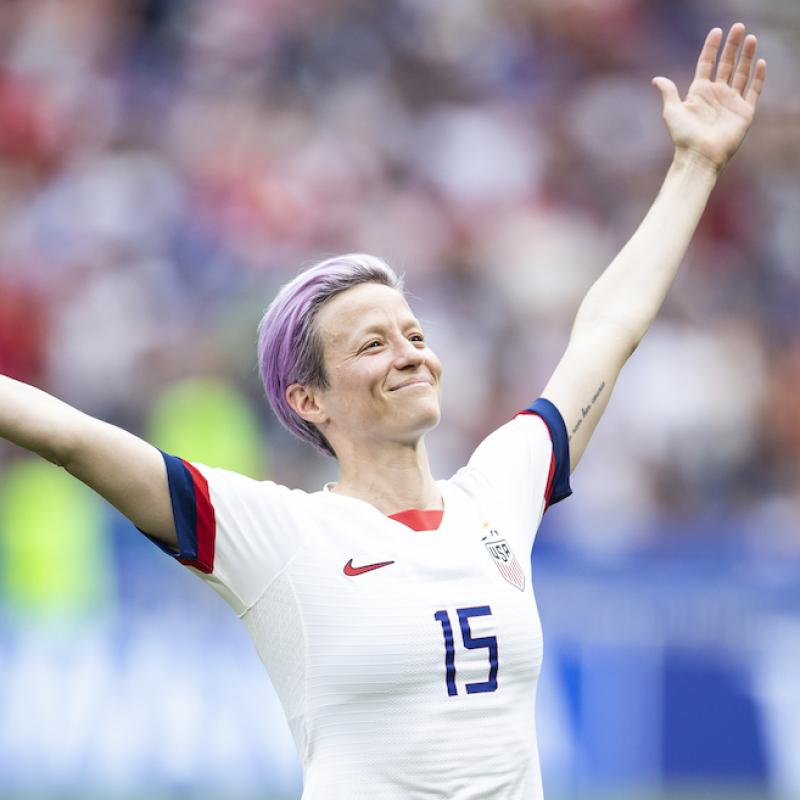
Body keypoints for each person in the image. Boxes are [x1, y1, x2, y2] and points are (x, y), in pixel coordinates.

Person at [0, 23, 765, 800]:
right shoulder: (279, 535)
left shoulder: (497, 493)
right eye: (373, 344)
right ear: (308, 399)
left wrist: (694, 165)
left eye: (415, 335)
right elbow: (70, 438)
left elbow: (607, 332)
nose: (409, 355)